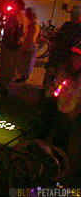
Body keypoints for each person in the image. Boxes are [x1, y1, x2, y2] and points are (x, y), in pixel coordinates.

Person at [43, 44, 81, 184]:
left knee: (67, 145)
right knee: (55, 140)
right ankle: (53, 167)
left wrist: (75, 111)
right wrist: (52, 90)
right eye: (74, 57)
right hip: (58, 110)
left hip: (72, 116)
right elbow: (56, 86)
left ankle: (65, 173)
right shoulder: (66, 72)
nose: (75, 60)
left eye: (79, 58)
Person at [45, 6, 81, 87]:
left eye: (76, 14)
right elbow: (57, 38)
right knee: (50, 78)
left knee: (61, 83)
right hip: (57, 57)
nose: (74, 16)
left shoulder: (79, 28)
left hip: (67, 61)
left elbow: (73, 44)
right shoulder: (67, 25)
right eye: (73, 14)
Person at [0, 0, 27, 91]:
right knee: (12, 66)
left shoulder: (14, 17)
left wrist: (7, 42)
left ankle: (4, 86)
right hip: (18, 44)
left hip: (11, 45)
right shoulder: (24, 17)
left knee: (6, 66)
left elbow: (11, 31)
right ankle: (7, 84)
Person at [15, 7, 40, 83]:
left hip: (29, 47)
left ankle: (24, 77)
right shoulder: (32, 24)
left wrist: (25, 46)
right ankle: (24, 77)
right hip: (28, 46)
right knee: (25, 63)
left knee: (27, 63)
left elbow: (30, 38)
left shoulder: (33, 25)